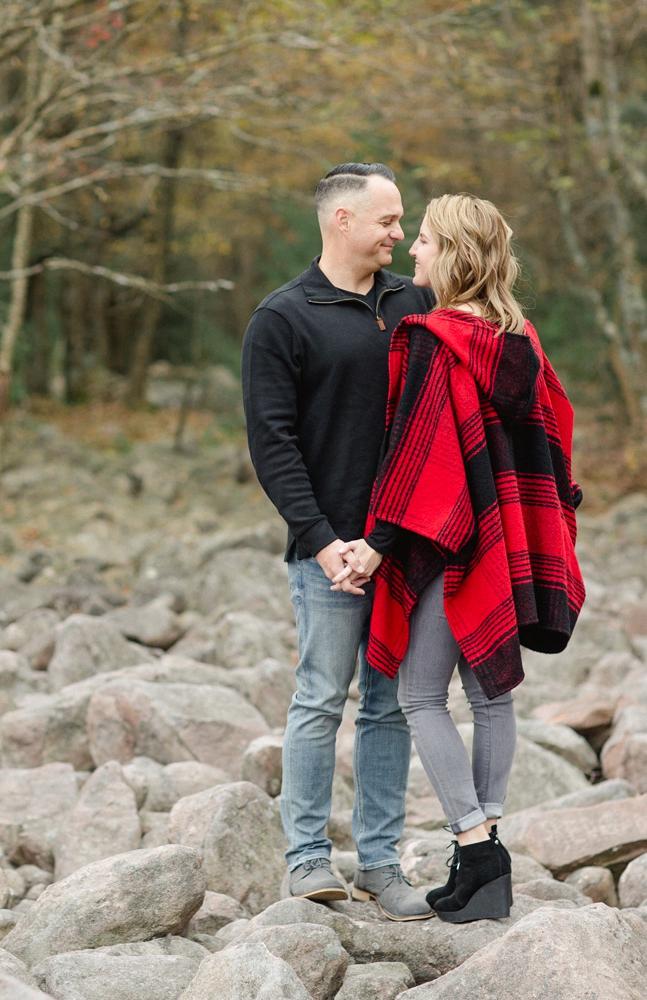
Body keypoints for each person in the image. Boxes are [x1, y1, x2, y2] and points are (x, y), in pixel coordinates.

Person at [335, 193, 586, 922]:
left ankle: (475, 847)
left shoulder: (432, 339)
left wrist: (379, 548)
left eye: (423, 241)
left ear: (453, 254)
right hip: (506, 539)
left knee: (419, 697)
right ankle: (487, 860)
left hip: (453, 547)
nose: (413, 252)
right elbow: (556, 437)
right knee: (491, 697)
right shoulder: (523, 340)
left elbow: (418, 462)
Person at [241, 163, 436, 921]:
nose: (399, 232)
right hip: (326, 556)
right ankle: (308, 863)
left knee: (390, 706)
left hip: (406, 547)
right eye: (388, 220)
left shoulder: (413, 302)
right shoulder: (282, 318)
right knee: (320, 699)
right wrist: (324, 543)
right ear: (342, 221)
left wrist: (386, 540)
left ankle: (383, 865)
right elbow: (273, 445)